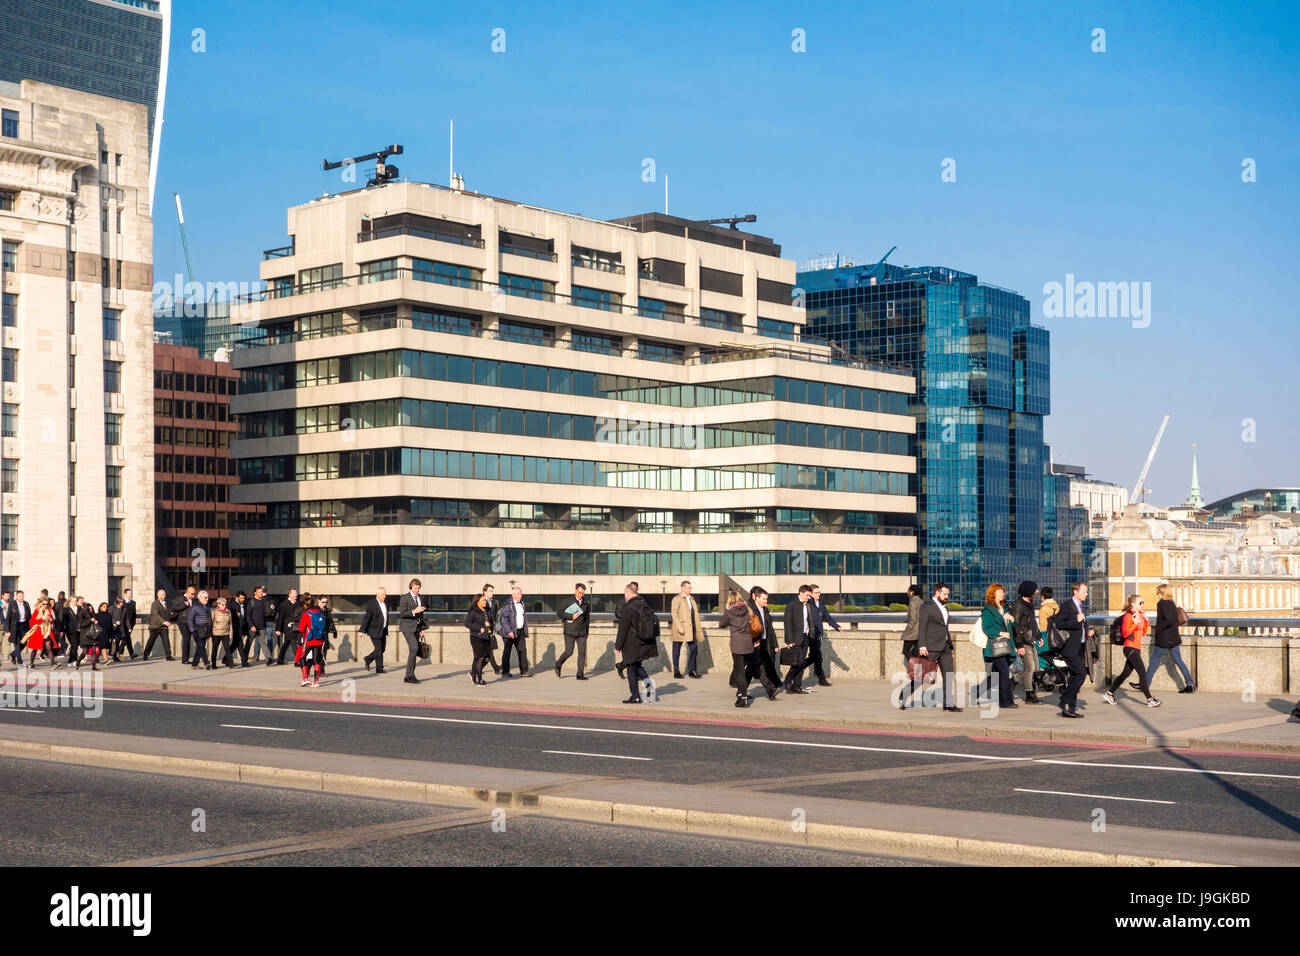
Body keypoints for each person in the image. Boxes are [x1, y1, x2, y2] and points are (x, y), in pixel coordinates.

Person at [907, 582, 960, 711]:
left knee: (948, 675)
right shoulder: (927, 606)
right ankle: (904, 695)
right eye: (944, 594)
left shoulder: (945, 608)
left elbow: (945, 628)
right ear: (937, 593)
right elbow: (922, 627)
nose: (947, 596)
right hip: (930, 647)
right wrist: (922, 646)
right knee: (920, 677)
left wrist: (950, 648)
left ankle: (948, 705)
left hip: (945, 647)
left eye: (948, 594)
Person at [720, 589, 777, 707]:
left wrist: (726, 609)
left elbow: (722, 624)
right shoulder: (747, 610)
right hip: (749, 644)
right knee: (754, 666)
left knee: (739, 672)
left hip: (737, 645)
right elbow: (754, 625)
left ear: (730, 601)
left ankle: (743, 697)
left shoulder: (730, 612)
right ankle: (766, 689)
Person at [1103, 594, 1161, 708]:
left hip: (1137, 648)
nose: (1142, 605)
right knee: (1142, 673)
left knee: (1125, 673)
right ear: (1133, 604)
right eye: (1140, 603)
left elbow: (1142, 633)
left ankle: (1109, 693)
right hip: (1130, 648)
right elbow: (1125, 633)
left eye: (1143, 602)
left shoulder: (1139, 615)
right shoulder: (1128, 616)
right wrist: (1134, 623)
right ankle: (1149, 699)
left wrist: (1146, 621)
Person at [1052, 582, 1096, 719]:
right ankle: (1065, 699)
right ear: (1075, 592)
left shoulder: (1080, 606)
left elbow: (1078, 628)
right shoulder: (1067, 606)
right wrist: (1075, 620)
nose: (1086, 594)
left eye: (1087, 592)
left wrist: (1087, 632)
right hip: (1070, 649)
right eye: (1084, 592)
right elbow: (1059, 623)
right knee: (1081, 674)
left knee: (1074, 677)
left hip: (1079, 647)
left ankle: (1070, 709)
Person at [614, 582, 658, 704]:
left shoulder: (628, 608)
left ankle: (635, 696)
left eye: (625, 594)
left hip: (632, 643)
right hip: (644, 642)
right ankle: (650, 689)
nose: (625, 596)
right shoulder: (644, 604)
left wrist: (618, 646)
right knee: (638, 666)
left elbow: (623, 629)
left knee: (631, 668)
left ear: (628, 593)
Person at [1145, 583, 1193, 693]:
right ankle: (1190, 684)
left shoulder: (1161, 604)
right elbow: (1173, 619)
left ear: (1162, 593)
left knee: (1154, 661)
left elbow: (1168, 620)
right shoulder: (1172, 603)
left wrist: (1159, 629)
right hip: (1174, 638)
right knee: (1179, 661)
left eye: (1158, 593)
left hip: (1163, 639)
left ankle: (1145, 684)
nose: (1157, 595)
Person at [980, 584, 1017, 710]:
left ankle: (978, 691)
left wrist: (1011, 619)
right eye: (1000, 591)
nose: (1003, 593)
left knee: (996, 674)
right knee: (1004, 672)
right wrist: (1000, 633)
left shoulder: (1005, 608)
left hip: (1006, 645)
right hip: (995, 646)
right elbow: (987, 627)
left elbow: (1014, 625)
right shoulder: (988, 610)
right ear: (993, 594)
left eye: (1003, 591)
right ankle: (1006, 701)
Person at [781, 585, 816, 694]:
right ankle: (787, 680)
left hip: (806, 637)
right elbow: (788, 624)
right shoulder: (791, 605)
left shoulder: (809, 605)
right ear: (801, 593)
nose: (809, 597)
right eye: (807, 595)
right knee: (799, 662)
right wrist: (789, 640)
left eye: (810, 596)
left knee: (801, 662)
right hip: (795, 638)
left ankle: (797, 686)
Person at [1012, 581, 1042, 703]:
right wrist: (1019, 645)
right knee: (1030, 667)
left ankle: (1013, 682)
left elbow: (1032, 622)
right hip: (1023, 640)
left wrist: (1038, 635)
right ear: (1029, 591)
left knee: (1035, 667)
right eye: (1035, 590)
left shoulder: (1030, 604)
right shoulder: (1019, 605)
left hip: (1031, 639)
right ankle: (1029, 695)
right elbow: (1016, 626)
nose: (1037, 592)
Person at [554, 582, 590, 679]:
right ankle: (558, 664)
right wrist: (571, 616)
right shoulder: (567, 601)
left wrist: (587, 631)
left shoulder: (586, 602)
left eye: (583, 593)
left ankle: (580, 673)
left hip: (582, 632)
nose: (581, 595)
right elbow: (559, 613)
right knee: (569, 652)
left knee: (582, 652)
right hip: (570, 631)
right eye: (579, 592)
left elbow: (587, 618)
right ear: (575, 591)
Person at [749, 586, 782, 689]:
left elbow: (770, 629)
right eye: (763, 599)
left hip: (765, 642)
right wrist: (753, 641)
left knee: (766, 664)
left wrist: (775, 644)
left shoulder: (765, 610)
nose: (766, 601)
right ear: (756, 598)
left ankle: (774, 684)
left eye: (766, 598)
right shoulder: (751, 610)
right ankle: (770, 688)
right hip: (755, 642)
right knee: (756, 667)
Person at [669, 580, 704, 679]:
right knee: (676, 650)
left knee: (694, 648)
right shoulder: (677, 598)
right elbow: (674, 614)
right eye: (688, 588)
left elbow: (694, 614)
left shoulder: (692, 599)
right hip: (680, 628)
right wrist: (679, 626)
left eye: (690, 588)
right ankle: (676, 671)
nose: (690, 589)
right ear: (682, 588)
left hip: (691, 627)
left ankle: (691, 670)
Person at [808, 584, 840, 688]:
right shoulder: (807, 604)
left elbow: (827, 617)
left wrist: (837, 627)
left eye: (819, 592)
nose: (819, 594)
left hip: (817, 635)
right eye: (816, 593)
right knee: (816, 657)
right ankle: (821, 679)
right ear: (811, 594)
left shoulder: (820, 603)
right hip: (809, 635)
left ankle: (821, 679)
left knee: (816, 657)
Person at [497, 586, 532, 678]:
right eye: (518, 593)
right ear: (513, 595)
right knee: (507, 652)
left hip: (520, 632)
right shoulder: (507, 605)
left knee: (522, 651)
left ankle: (524, 671)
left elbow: (523, 618)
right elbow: (504, 620)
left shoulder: (522, 604)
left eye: (521, 593)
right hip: (509, 633)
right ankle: (505, 672)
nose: (520, 595)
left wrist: (525, 630)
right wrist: (509, 631)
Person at [295, 592, 327, 688]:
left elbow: (301, 628)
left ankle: (305, 678)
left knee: (302, 657)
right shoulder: (319, 613)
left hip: (309, 640)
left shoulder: (306, 614)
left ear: (305, 604)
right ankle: (316, 682)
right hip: (319, 640)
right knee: (316, 660)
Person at [398, 578, 427, 684]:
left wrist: (422, 629)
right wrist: (414, 611)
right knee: (414, 648)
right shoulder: (404, 598)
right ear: (411, 587)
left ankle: (410, 675)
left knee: (413, 651)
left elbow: (422, 615)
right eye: (415, 588)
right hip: (407, 627)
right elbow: (402, 614)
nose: (417, 590)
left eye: (418, 588)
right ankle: (409, 675)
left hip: (417, 627)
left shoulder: (421, 598)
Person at [465, 592, 493, 686]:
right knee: (480, 658)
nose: (485, 602)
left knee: (487, 658)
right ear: (477, 602)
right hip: (476, 637)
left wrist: (489, 626)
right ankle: (479, 679)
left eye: (485, 600)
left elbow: (490, 622)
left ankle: (473, 673)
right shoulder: (473, 612)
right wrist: (479, 627)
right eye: (483, 600)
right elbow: (467, 624)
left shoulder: (487, 611)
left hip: (486, 637)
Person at [359, 587, 389, 673]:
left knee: (382, 649)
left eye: (385, 594)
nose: (384, 596)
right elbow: (367, 617)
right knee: (379, 650)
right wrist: (361, 630)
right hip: (374, 630)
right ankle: (379, 668)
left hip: (383, 630)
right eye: (383, 594)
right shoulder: (372, 603)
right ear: (377, 594)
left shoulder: (384, 604)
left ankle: (368, 659)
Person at [22, 598, 56, 668]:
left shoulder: (48, 611)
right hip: (37, 632)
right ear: (40, 604)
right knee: (35, 649)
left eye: (47, 604)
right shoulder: (37, 611)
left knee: (49, 647)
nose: (45, 605)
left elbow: (51, 621)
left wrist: (50, 620)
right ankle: (31, 663)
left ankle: (53, 664)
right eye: (43, 604)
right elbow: (32, 622)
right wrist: (42, 619)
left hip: (46, 632)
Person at [272, 588, 302, 666]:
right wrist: (278, 629)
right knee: (293, 641)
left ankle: (280, 660)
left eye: (296, 593)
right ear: (290, 594)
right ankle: (298, 661)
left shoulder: (298, 604)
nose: (296, 595)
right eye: (295, 593)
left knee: (286, 643)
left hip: (296, 626)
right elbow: (280, 618)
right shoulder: (284, 604)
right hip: (287, 627)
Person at [144, 589, 174, 661]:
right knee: (151, 641)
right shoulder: (155, 604)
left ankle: (168, 656)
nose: (164, 596)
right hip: (155, 626)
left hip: (163, 627)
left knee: (166, 641)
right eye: (162, 595)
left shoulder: (166, 603)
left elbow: (168, 613)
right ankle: (145, 655)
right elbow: (155, 614)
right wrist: (164, 622)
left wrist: (170, 620)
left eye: (164, 594)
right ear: (158, 595)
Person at [186, 591, 212, 670]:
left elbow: (209, 617)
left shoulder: (207, 606)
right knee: (201, 646)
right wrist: (192, 630)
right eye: (205, 598)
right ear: (199, 598)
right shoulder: (195, 606)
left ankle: (194, 663)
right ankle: (206, 662)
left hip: (205, 629)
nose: (207, 599)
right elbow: (189, 619)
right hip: (197, 629)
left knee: (200, 647)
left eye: (207, 597)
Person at [482, 583, 502, 675]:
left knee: (488, 649)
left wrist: (495, 627)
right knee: (485, 650)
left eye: (492, 591)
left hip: (490, 628)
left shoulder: (495, 602)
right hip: (482, 629)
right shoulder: (480, 601)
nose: (492, 593)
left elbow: (496, 615)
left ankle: (478, 668)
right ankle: (495, 667)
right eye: (490, 591)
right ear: (484, 592)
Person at [247, 585, 271, 663]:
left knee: (263, 643)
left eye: (262, 592)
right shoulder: (251, 602)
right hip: (253, 627)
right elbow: (248, 615)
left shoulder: (263, 601)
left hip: (261, 627)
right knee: (248, 643)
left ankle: (268, 659)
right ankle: (244, 659)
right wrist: (251, 626)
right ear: (255, 593)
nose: (261, 593)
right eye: (259, 592)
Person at [227, 590, 250, 667]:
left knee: (235, 644)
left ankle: (226, 659)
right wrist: (235, 615)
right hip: (235, 627)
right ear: (237, 597)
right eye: (241, 598)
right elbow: (227, 616)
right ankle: (244, 662)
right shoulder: (232, 605)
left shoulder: (245, 604)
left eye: (244, 598)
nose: (243, 600)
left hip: (242, 627)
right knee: (240, 645)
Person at [209, 597, 234, 669]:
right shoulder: (214, 612)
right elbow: (211, 623)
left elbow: (230, 623)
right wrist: (210, 633)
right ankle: (213, 664)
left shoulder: (228, 611)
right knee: (214, 649)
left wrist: (230, 632)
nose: (224, 606)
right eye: (222, 604)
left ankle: (231, 663)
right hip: (216, 633)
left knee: (227, 649)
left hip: (225, 633)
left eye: (225, 604)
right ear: (218, 605)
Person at [6, 590, 30, 665]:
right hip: (15, 626)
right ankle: (20, 661)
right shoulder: (12, 604)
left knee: (24, 642)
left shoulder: (26, 604)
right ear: (16, 596)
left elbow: (29, 616)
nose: (22, 597)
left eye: (23, 596)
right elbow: (8, 617)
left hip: (24, 626)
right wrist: (7, 630)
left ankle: (13, 654)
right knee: (17, 643)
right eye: (20, 596)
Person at [316, 596, 337, 677]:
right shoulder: (315, 610)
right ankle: (307, 670)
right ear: (318, 601)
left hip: (324, 634)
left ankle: (321, 670)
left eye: (326, 602)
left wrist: (334, 631)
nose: (324, 604)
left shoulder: (327, 610)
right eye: (323, 602)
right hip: (316, 634)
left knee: (324, 653)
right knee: (315, 654)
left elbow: (330, 621)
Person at [116, 588, 138, 660]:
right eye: (128, 594)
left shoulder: (133, 603)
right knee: (124, 639)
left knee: (127, 639)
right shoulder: (121, 602)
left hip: (129, 624)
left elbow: (134, 615)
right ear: (125, 594)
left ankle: (129, 653)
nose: (130, 595)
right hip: (121, 624)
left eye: (131, 594)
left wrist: (132, 625)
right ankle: (120, 652)